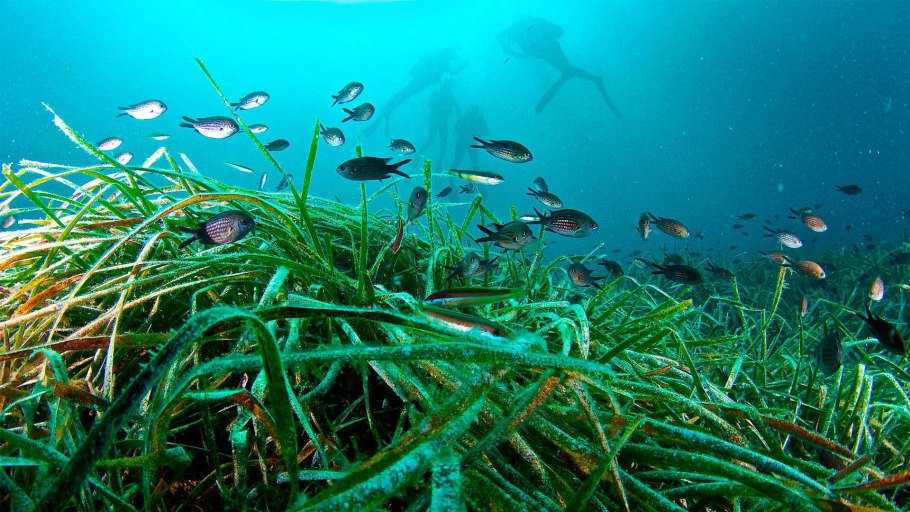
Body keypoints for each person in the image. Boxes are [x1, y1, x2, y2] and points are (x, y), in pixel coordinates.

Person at [498, 17, 622, 117]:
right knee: (567, 69)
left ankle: (592, 79)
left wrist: (512, 52)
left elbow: (504, 38)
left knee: (567, 70)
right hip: (547, 48)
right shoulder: (520, 28)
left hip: (546, 49)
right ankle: (593, 79)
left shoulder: (514, 31)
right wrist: (514, 52)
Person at [365, 48, 467, 137]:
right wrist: (465, 64)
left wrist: (463, 65)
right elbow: (453, 72)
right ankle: (383, 114)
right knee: (403, 95)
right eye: (451, 56)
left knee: (402, 95)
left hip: (418, 83)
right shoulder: (441, 63)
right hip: (419, 83)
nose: (451, 58)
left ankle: (383, 114)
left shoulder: (439, 61)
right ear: (448, 55)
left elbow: (451, 71)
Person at [420, 78, 460, 165]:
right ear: (447, 85)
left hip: (440, 120)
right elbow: (430, 104)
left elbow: (457, 108)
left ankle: (439, 162)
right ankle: (418, 159)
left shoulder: (448, 95)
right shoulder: (441, 94)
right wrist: (443, 109)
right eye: (450, 85)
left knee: (440, 141)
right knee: (435, 140)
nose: (451, 87)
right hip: (437, 120)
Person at [451, 104, 488, 169]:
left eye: (475, 111)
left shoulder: (479, 120)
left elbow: (486, 132)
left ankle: (450, 175)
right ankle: (450, 175)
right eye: (473, 111)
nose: (473, 112)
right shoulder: (474, 119)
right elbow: (456, 128)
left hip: (468, 142)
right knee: (461, 160)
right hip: (465, 141)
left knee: (472, 161)